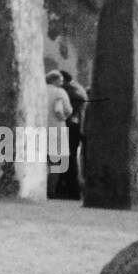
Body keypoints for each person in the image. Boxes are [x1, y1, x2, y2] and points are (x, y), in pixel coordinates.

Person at [59, 70, 87, 200]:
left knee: (68, 158)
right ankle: (70, 188)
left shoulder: (70, 90)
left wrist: (70, 116)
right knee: (69, 157)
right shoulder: (77, 88)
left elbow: (79, 101)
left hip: (71, 128)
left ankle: (71, 189)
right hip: (75, 128)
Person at [44, 70, 73, 198]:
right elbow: (67, 110)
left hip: (39, 127)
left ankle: (36, 187)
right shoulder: (60, 92)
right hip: (56, 127)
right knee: (55, 162)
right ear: (55, 80)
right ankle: (50, 190)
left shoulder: (39, 89)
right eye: (60, 81)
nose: (61, 83)